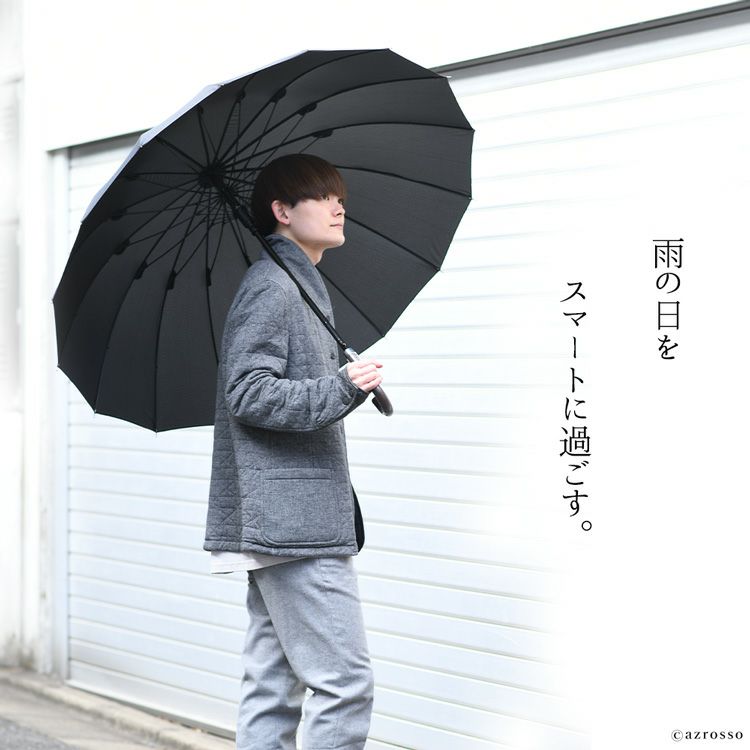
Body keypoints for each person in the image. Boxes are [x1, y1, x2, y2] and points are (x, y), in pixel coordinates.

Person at [203, 153, 382, 750]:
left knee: (273, 687)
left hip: (284, 518)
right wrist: (341, 387)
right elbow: (248, 393)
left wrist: (342, 383)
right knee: (344, 684)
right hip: (294, 524)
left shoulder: (296, 284)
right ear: (282, 211)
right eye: (321, 196)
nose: (338, 207)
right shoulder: (275, 287)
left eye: (340, 197)